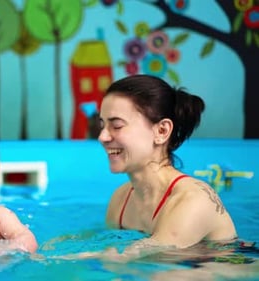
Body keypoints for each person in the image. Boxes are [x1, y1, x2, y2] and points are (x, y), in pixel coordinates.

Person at [63, 74, 237, 261]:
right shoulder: (120, 200)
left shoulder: (193, 200)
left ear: (161, 131)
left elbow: (140, 258)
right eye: (102, 125)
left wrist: (56, 260)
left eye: (117, 126)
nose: (102, 137)